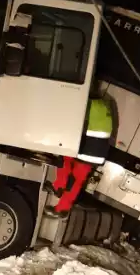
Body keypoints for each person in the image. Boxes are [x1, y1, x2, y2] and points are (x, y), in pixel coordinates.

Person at [44, 89, 115, 218]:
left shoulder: (92, 105)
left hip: (91, 150)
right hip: (92, 151)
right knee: (68, 167)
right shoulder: (96, 105)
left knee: (68, 167)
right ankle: (60, 198)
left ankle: (60, 193)